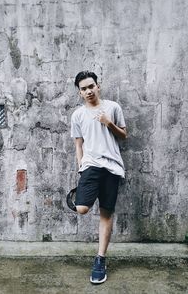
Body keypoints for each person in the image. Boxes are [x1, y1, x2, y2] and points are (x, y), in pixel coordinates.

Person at [67, 70, 127, 284]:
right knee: (82, 208)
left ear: (97, 86)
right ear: (80, 93)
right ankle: (78, 195)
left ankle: (100, 260)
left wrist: (108, 122)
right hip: (90, 166)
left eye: (91, 86)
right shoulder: (78, 115)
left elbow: (124, 135)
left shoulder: (113, 107)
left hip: (112, 167)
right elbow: (78, 144)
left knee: (106, 214)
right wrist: (81, 168)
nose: (88, 91)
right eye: (84, 89)